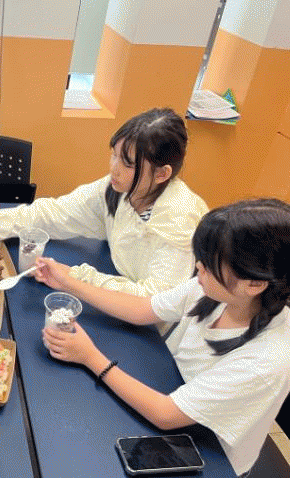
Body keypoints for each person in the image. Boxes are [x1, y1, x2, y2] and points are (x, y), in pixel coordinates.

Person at [38, 199, 290, 477]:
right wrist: (68, 282)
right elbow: (143, 309)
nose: (198, 267)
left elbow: (165, 414)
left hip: (210, 452)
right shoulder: (217, 289)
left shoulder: (268, 359)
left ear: (254, 284)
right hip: (171, 389)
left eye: (210, 265)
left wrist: (90, 357)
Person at [0, 108, 208, 297]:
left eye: (127, 163)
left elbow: (155, 301)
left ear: (162, 174)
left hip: (157, 334)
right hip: (114, 295)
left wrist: (76, 277)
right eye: (114, 155)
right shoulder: (119, 187)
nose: (114, 168)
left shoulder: (178, 220)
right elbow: (55, 213)